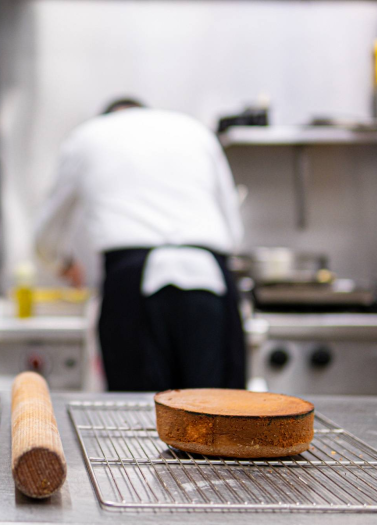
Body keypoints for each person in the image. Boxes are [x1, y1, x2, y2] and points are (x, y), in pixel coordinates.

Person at [35, 98, 246, 391]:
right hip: (210, 280)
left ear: (106, 117)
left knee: (136, 416)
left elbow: (48, 228)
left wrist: (62, 263)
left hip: (132, 283)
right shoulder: (195, 131)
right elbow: (233, 227)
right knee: (220, 415)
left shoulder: (87, 136)